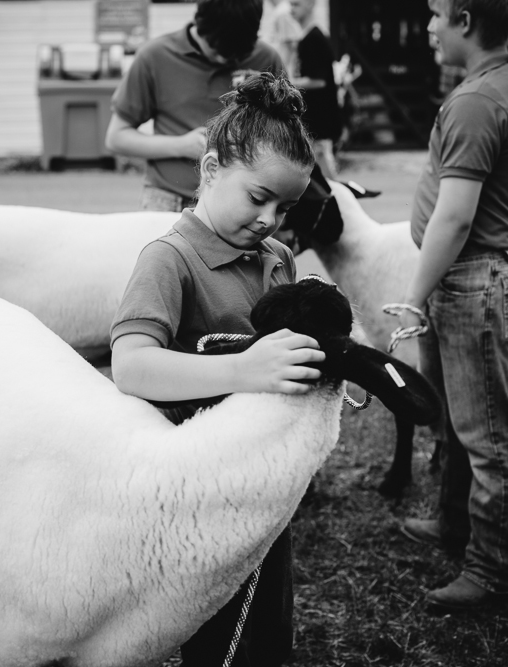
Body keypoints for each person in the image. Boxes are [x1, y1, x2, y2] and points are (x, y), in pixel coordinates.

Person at [110, 72, 316, 667]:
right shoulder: (168, 260)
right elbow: (132, 366)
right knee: (215, 631)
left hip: (264, 482)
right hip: (195, 492)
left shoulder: (278, 257)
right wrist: (246, 370)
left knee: (268, 624)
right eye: (258, 198)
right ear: (209, 170)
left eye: (285, 206)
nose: (271, 218)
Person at [395, 0, 508, 612]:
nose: (427, 26)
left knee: (488, 433)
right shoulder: (503, 81)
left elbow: (455, 217)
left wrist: (412, 299)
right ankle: (457, 522)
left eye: (434, 14)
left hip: (472, 282)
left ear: (462, 19)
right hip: (473, 277)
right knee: (464, 417)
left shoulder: (478, 101)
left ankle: (496, 569)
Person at [104, 0, 284, 212]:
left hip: (242, 204)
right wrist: (182, 145)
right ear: (200, 23)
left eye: (237, 55)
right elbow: (116, 138)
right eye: (217, 50)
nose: (225, 59)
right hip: (168, 200)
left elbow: (287, 135)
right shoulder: (154, 56)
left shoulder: (267, 58)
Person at [289, 0, 344, 179]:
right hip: (315, 115)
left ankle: (337, 199)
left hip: (319, 116)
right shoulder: (308, 37)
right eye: (290, 4)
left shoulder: (314, 38)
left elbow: (318, 81)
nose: (292, 9)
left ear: (310, 5)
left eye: (296, 4)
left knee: (322, 163)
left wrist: (290, 83)